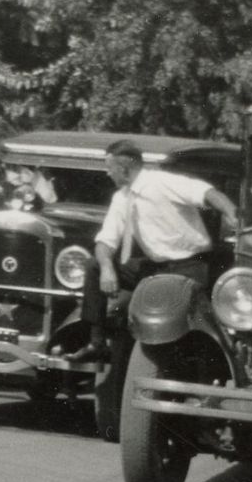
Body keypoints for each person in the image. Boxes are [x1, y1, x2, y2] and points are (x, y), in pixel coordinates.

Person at [83, 141, 241, 354]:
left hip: (190, 266)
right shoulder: (121, 198)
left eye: (109, 168)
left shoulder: (162, 182)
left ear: (123, 169)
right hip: (154, 268)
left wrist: (232, 213)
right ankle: (97, 342)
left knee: (171, 321)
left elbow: (208, 193)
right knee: (94, 265)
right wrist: (106, 268)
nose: (107, 173)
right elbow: (105, 241)